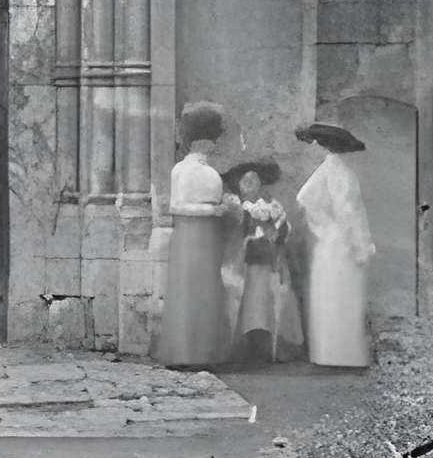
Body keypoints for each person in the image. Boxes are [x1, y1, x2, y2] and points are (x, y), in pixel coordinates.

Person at [158, 99, 232, 368]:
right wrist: (212, 211)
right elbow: (175, 206)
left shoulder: (210, 172)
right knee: (188, 288)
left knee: (207, 288)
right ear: (201, 141)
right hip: (190, 237)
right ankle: (185, 352)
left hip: (207, 237)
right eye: (212, 139)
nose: (215, 144)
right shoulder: (182, 170)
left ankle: (204, 351)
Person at [295, 122, 374, 367]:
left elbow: (305, 198)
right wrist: (358, 244)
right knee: (341, 296)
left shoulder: (329, 169)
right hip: (342, 243)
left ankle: (331, 354)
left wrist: (323, 227)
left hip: (332, 242)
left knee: (334, 295)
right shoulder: (339, 171)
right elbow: (348, 212)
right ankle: (342, 356)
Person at [223, 160, 304, 365]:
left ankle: (267, 346)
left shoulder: (272, 206)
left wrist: (276, 231)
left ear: (261, 184)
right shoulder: (235, 206)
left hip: (268, 263)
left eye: (254, 180)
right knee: (246, 303)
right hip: (242, 265)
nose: (250, 184)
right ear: (238, 184)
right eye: (245, 181)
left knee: (267, 303)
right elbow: (231, 236)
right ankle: (244, 345)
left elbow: (284, 230)